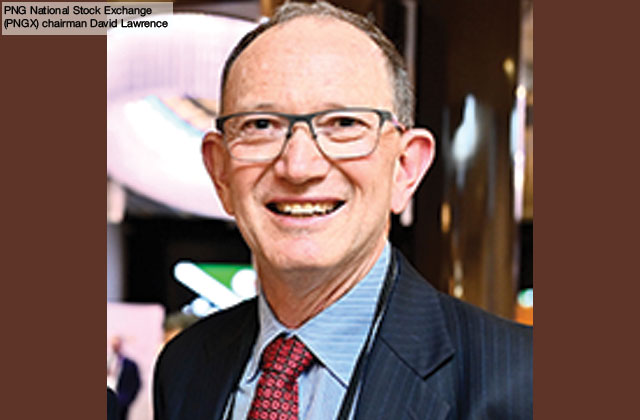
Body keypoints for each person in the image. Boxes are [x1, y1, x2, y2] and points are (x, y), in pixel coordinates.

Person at [153, 2, 532, 419]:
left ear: (405, 167)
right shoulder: (185, 366)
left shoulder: (522, 380)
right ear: (220, 171)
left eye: (344, 124)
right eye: (260, 125)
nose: (298, 167)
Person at [108, 336, 141, 420]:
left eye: (117, 345)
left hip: (121, 402)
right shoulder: (109, 361)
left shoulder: (129, 364)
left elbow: (136, 383)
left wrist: (127, 400)